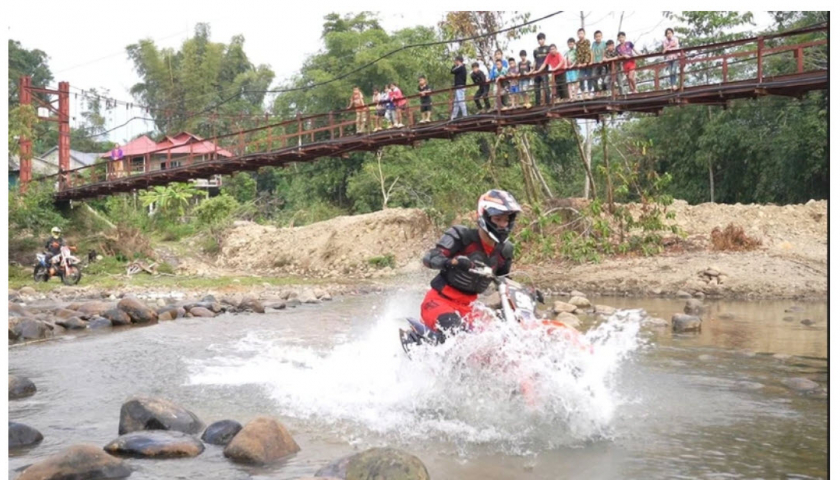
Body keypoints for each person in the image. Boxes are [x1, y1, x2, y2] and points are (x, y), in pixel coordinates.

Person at [420, 190, 522, 337]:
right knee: (457, 333)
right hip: (439, 302)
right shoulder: (461, 235)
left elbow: (504, 281)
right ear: (484, 216)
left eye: (505, 220)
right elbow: (430, 258)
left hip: (469, 308)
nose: (502, 225)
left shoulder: (505, 250)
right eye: (497, 219)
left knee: (498, 337)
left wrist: (526, 293)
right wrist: (453, 262)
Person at [533, 33, 552, 106]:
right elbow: (535, 60)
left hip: (544, 71)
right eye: (539, 39)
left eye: (542, 39)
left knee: (545, 86)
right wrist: (533, 70)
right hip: (537, 71)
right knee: (536, 88)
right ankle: (537, 103)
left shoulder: (548, 48)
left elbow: (549, 59)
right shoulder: (536, 50)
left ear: (544, 39)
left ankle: (548, 102)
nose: (540, 41)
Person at [450, 55, 469, 120]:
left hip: (460, 86)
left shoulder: (461, 67)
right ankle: (453, 116)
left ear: (458, 61)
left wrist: (455, 65)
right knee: (456, 102)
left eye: (456, 61)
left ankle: (465, 115)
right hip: (458, 86)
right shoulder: (460, 67)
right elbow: (452, 71)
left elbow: (452, 71)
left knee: (461, 101)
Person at [576, 28, 593, 97]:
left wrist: (586, 62)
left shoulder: (587, 41)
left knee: (589, 77)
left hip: (588, 63)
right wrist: (579, 63)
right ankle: (583, 93)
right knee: (581, 78)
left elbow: (587, 52)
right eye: (579, 34)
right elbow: (578, 54)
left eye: (582, 33)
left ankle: (589, 92)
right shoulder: (577, 43)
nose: (580, 35)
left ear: (584, 34)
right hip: (581, 63)